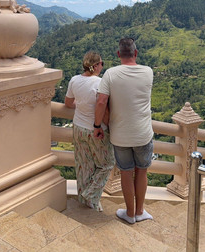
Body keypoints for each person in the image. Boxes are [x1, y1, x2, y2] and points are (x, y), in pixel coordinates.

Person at [94, 37, 154, 224]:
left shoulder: (110, 74)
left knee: (126, 172)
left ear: (118, 54)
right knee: (142, 171)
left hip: (120, 135)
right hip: (143, 133)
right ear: (136, 53)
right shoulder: (148, 71)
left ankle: (129, 213)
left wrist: (97, 126)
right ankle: (140, 211)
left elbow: (101, 101)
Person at [65, 51, 114, 211]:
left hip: (78, 127)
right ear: (95, 66)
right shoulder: (100, 83)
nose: (102, 66)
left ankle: (87, 202)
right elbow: (103, 108)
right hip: (96, 130)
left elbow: (68, 102)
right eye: (101, 63)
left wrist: (81, 106)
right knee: (107, 164)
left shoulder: (74, 80)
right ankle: (90, 194)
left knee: (83, 165)